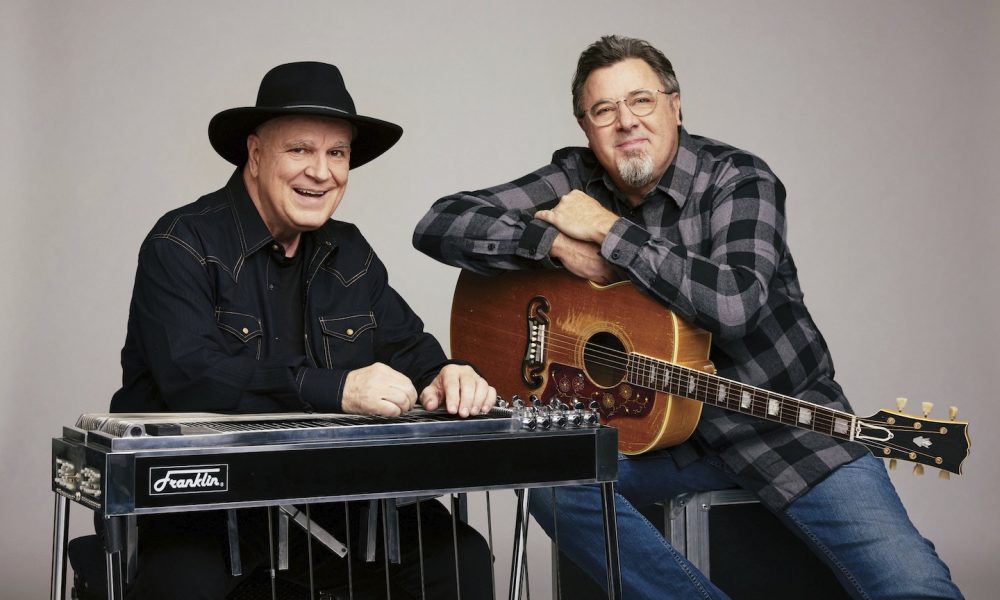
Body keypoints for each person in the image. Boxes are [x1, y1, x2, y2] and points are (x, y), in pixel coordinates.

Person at [413, 35, 963, 599]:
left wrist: (607, 232)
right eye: (604, 110)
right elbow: (440, 221)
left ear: (675, 105)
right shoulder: (575, 178)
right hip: (658, 441)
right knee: (549, 471)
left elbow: (733, 304)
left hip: (788, 430)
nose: (625, 121)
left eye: (642, 101)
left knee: (914, 587)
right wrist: (558, 246)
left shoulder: (738, 180)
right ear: (586, 128)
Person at [108, 61, 496, 599]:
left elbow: (411, 349)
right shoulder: (179, 244)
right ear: (256, 153)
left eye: (337, 153)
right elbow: (193, 378)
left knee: (458, 558)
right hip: (199, 509)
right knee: (185, 587)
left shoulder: (351, 251)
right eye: (300, 150)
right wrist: (336, 390)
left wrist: (454, 374)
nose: (322, 171)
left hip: (331, 504)